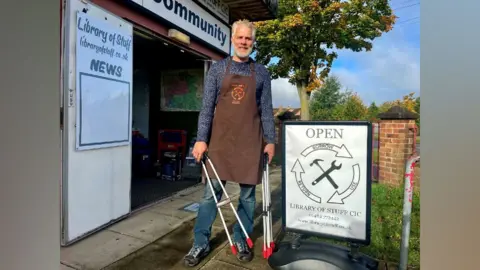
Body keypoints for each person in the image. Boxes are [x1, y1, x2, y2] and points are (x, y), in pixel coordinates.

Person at [183, 19, 276, 267]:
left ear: (253, 42)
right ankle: (200, 243)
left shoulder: (262, 72)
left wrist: (271, 140)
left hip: (250, 142)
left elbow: (266, 109)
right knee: (209, 196)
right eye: (240, 38)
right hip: (220, 142)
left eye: (249, 39)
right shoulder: (218, 69)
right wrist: (201, 139)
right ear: (232, 39)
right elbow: (206, 109)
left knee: (247, 197)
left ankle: (242, 238)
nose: (244, 42)